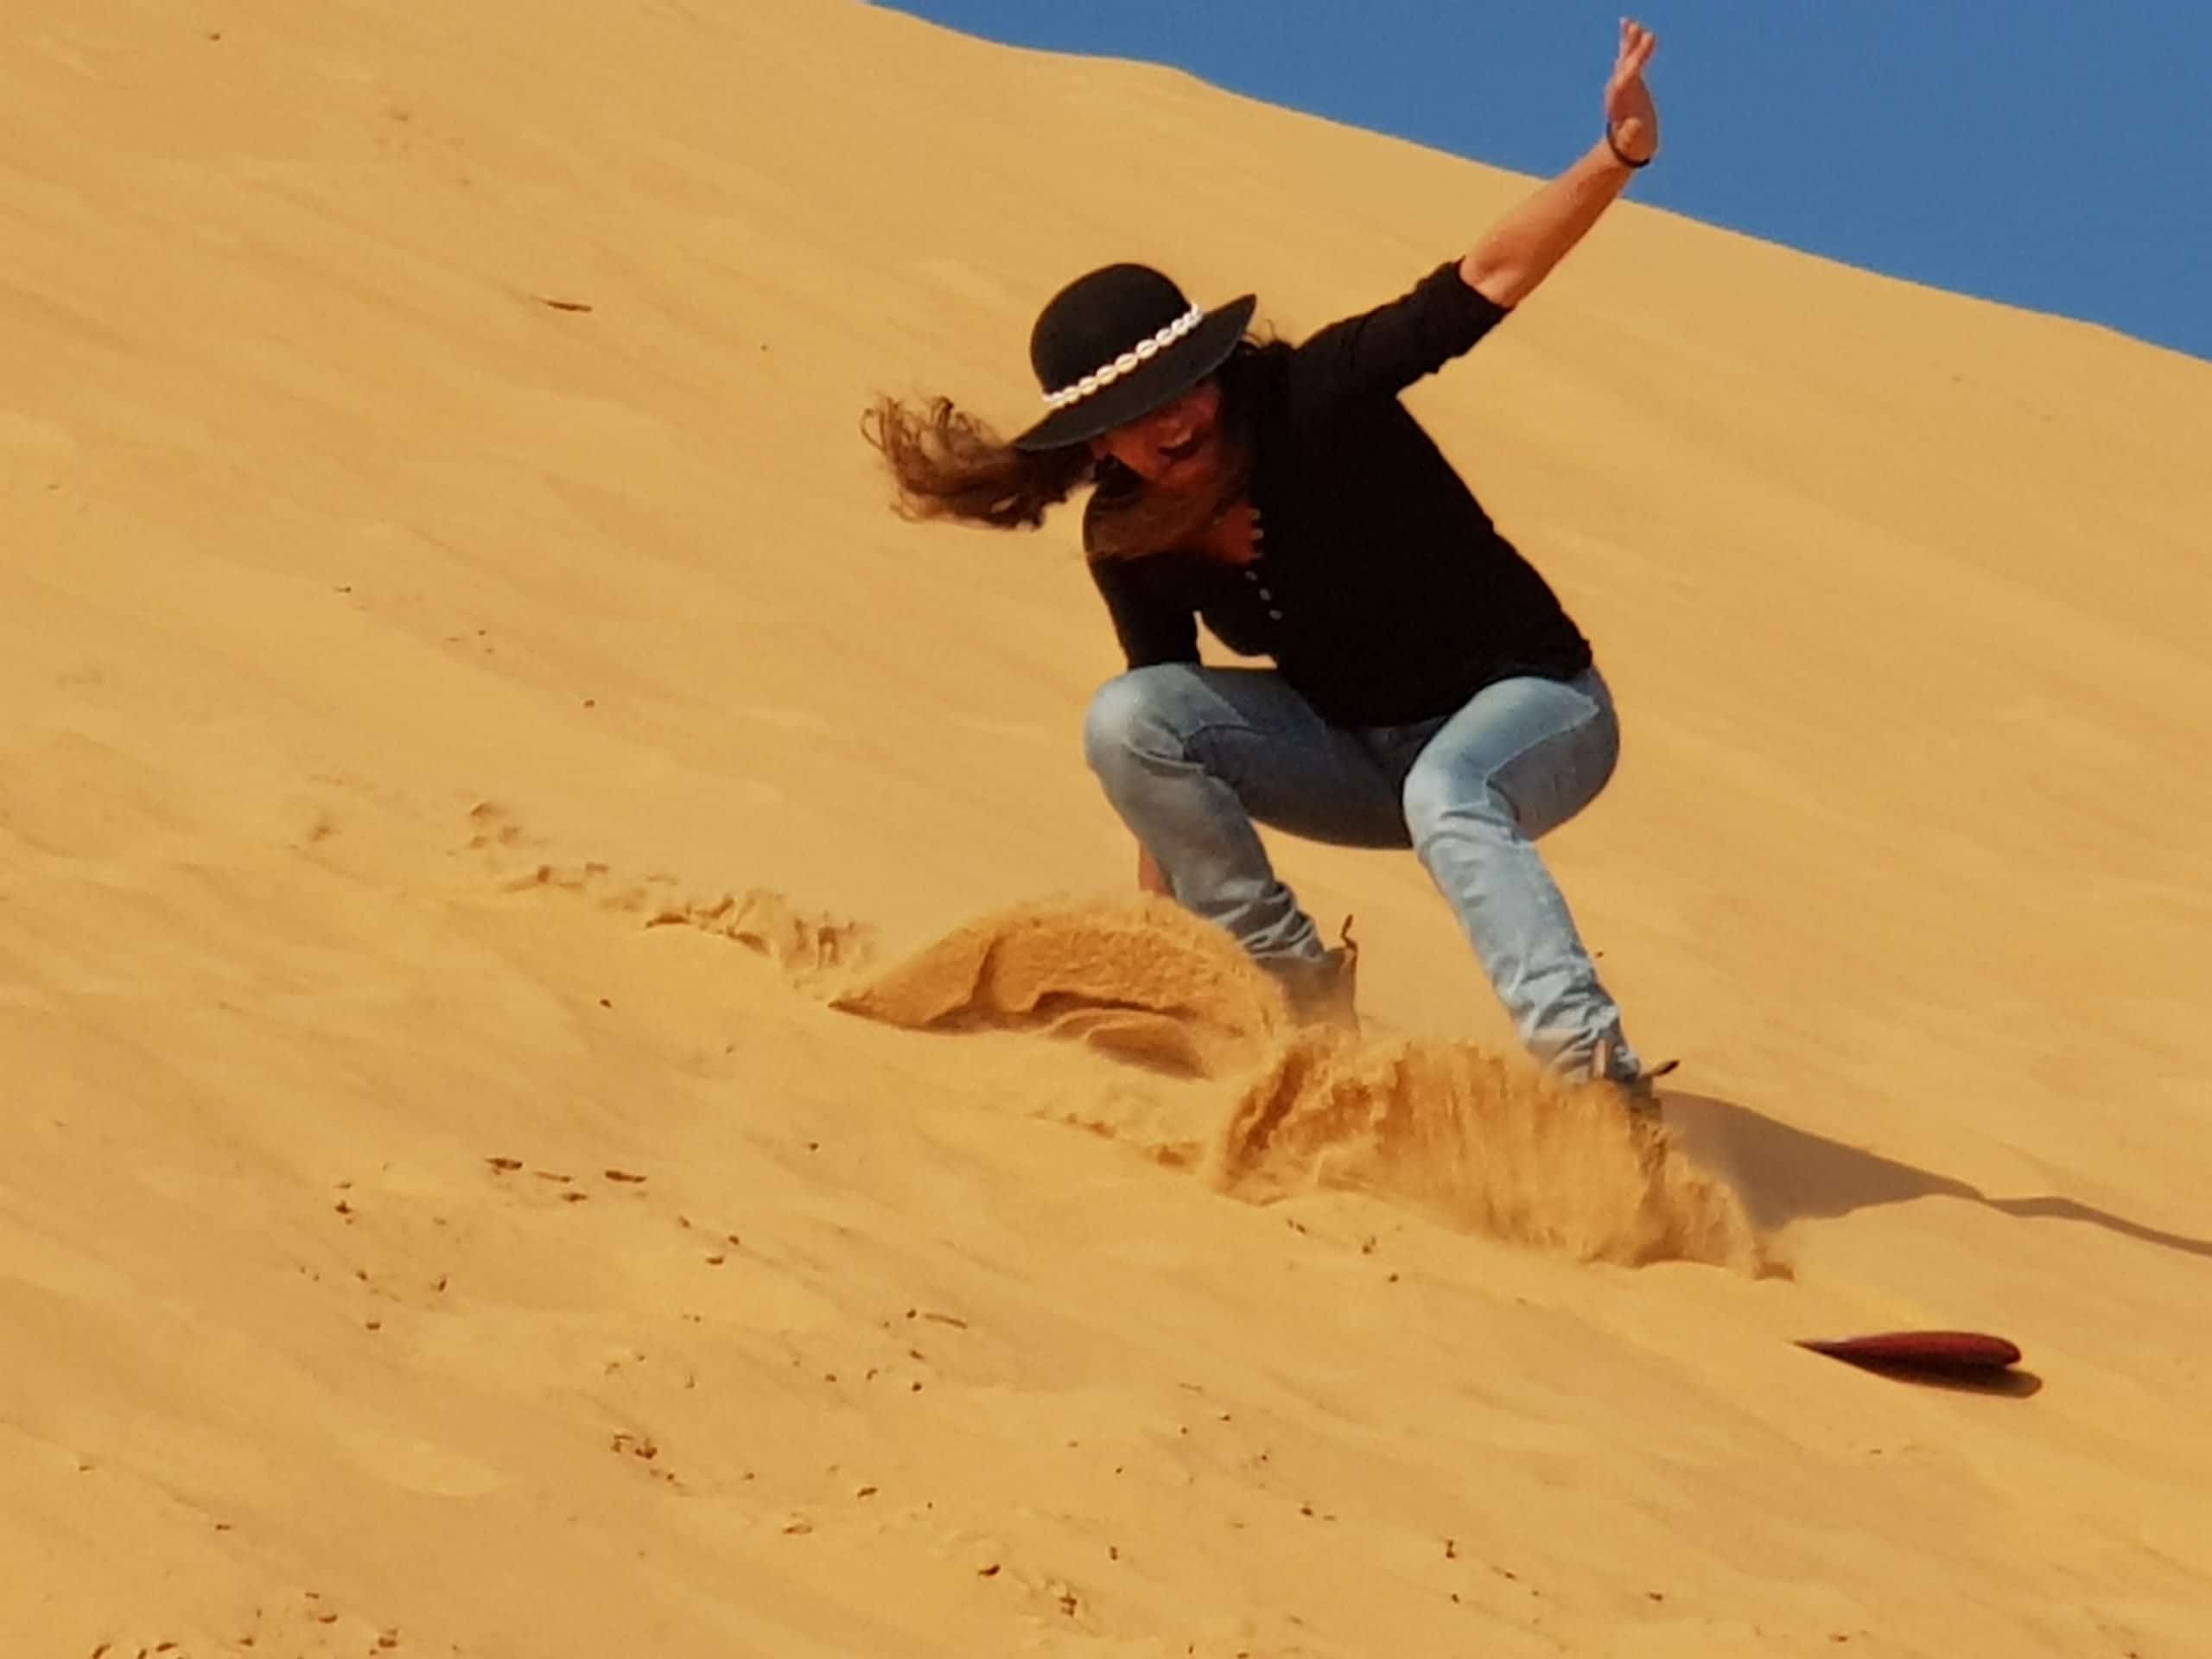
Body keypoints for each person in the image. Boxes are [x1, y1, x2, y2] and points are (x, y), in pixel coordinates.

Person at [867, 21, 1669, 1094]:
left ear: (1218, 367)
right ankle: (1289, 998)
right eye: (1131, 416)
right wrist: (1156, 935)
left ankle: (1592, 1075)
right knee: (1126, 714)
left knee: (1447, 791)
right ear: (1096, 443)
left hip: (1537, 711)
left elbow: (1483, 278)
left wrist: (1614, 156)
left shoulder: (1313, 397)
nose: (1170, 424)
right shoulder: (1128, 533)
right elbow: (1159, 742)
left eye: (1182, 386)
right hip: (1351, 756)